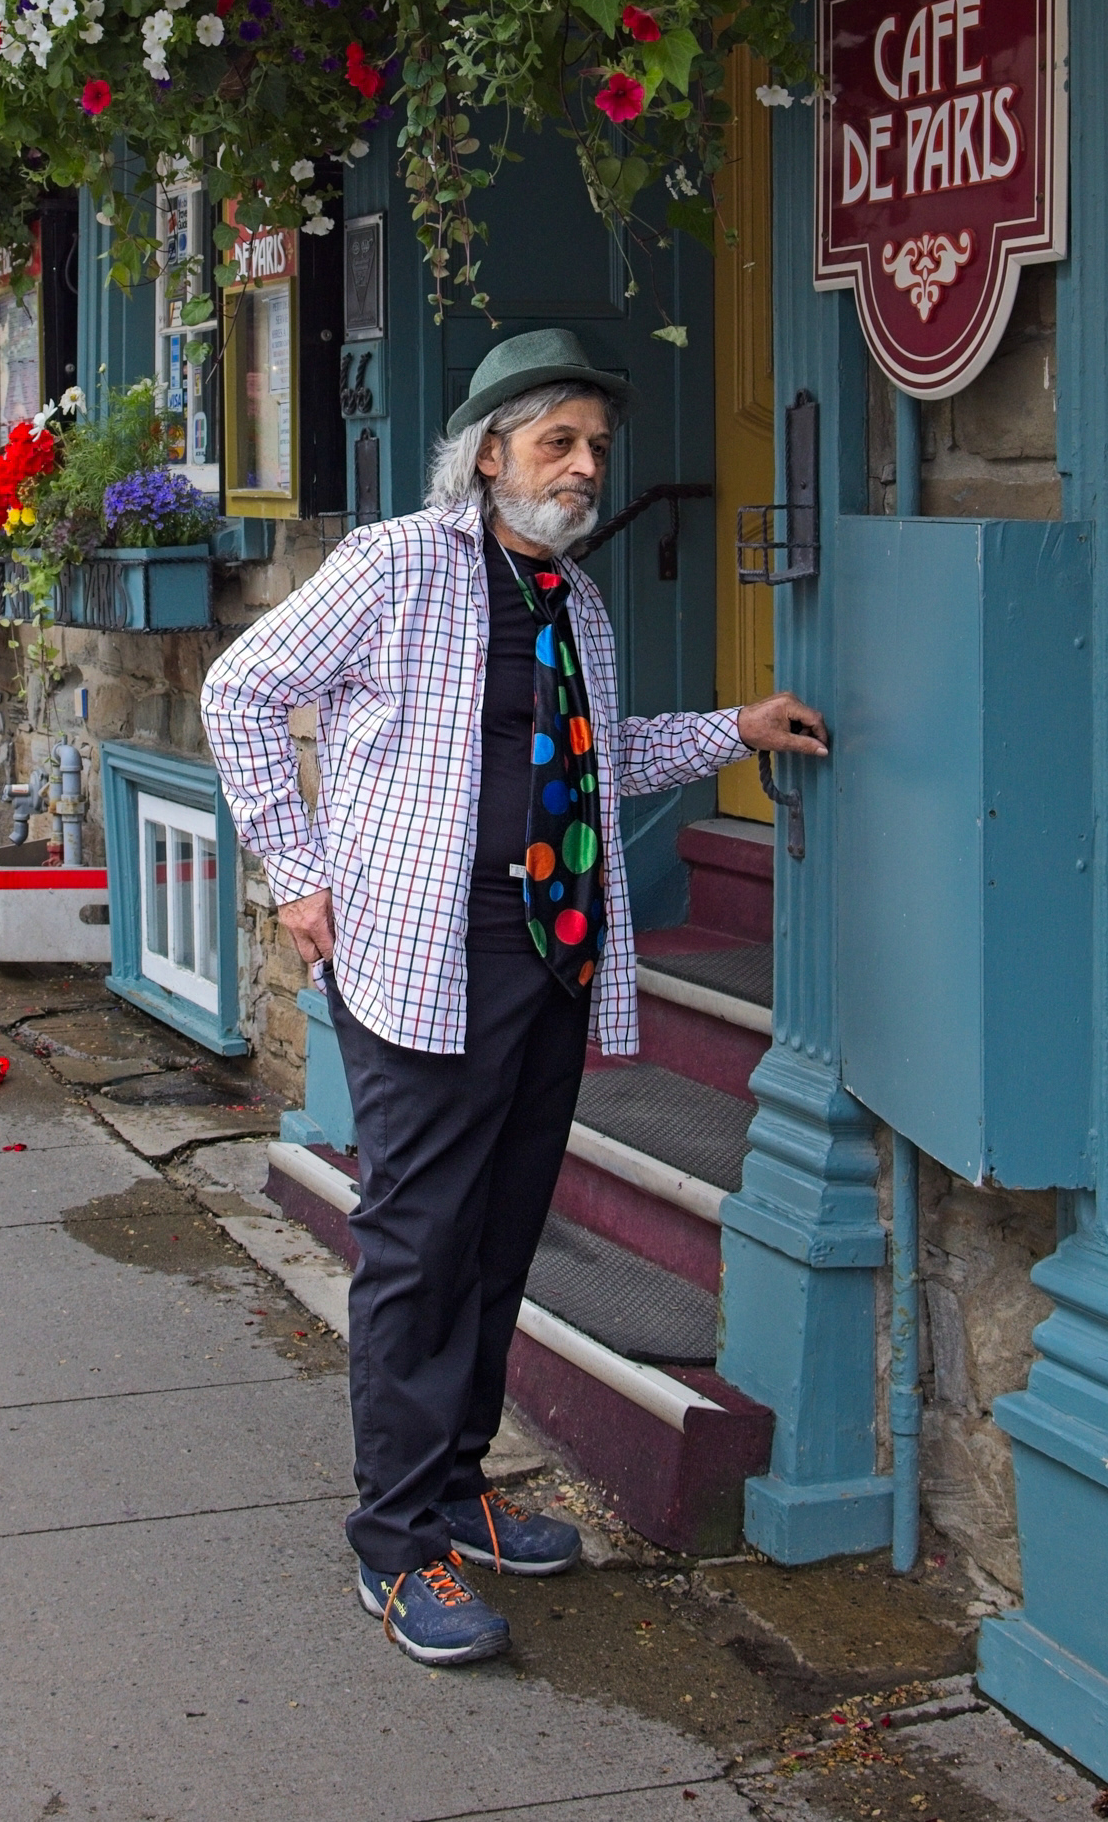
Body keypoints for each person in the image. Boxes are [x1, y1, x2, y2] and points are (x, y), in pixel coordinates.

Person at [200, 328, 828, 1666]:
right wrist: (295, 875)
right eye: (559, 441)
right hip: (424, 958)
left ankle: (453, 1485)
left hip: (548, 959)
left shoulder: (574, 603)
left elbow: (602, 767)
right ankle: (394, 1542)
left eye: (598, 446)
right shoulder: (396, 566)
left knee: (497, 1238)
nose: (587, 466)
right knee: (423, 1246)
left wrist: (736, 729)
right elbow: (241, 690)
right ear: (489, 454)